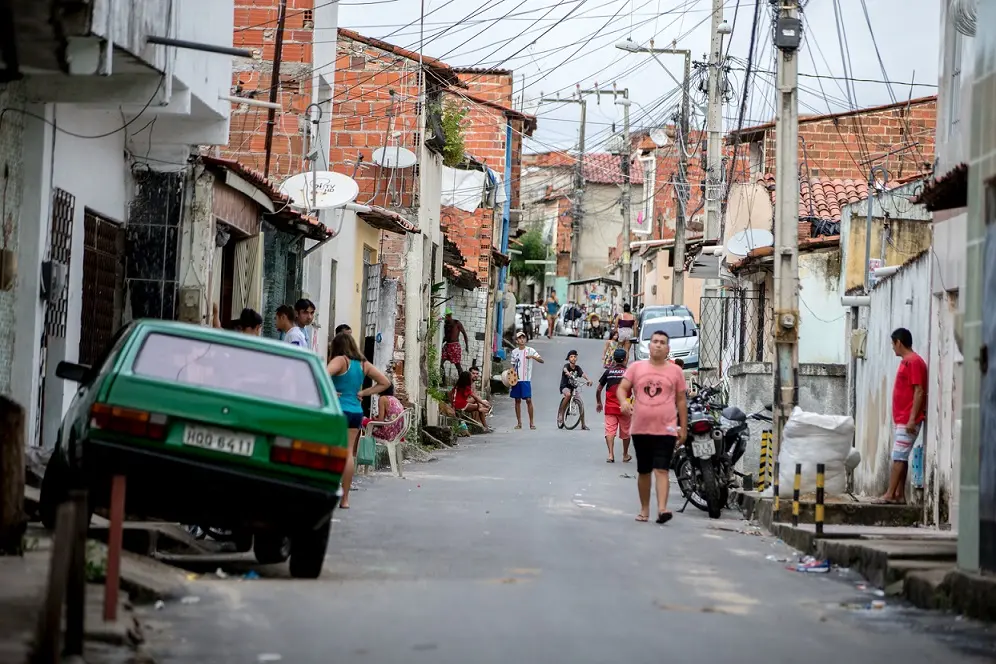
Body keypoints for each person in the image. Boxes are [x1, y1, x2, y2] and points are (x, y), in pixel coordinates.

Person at [618, 329, 687, 524]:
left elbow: (681, 400)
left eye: (662, 342)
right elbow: (622, 388)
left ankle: (663, 509)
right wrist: (624, 402)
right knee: (644, 470)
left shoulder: (676, 371)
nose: (658, 344)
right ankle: (645, 509)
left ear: (668, 349)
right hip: (640, 428)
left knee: (662, 469)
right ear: (648, 346)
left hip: (666, 428)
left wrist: (684, 427)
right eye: (655, 341)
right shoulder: (636, 367)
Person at [327, 332, 390, 509]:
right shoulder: (363, 364)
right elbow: (385, 382)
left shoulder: (340, 360)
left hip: (337, 411)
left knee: (331, 450)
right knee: (348, 454)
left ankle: (329, 492)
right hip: (355, 412)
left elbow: (321, 374)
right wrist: (363, 393)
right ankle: (345, 499)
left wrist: (330, 391)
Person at [877, 327, 928, 505]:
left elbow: (919, 390)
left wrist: (912, 419)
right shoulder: (907, 361)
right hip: (903, 417)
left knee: (898, 455)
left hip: (908, 418)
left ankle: (890, 494)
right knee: (901, 455)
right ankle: (899, 494)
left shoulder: (913, 362)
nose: (892, 348)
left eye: (893, 343)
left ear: (899, 342)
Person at [597, 347, 632, 463]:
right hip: (625, 407)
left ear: (614, 359)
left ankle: (611, 455)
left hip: (610, 407)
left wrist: (599, 402)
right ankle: (625, 454)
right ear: (625, 359)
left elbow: (599, 389)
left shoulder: (608, 372)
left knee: (610, 431)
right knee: (626, 431)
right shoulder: (629, 373)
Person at [510, 331, 544, 430]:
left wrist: (532, 357)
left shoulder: (530, 350)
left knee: (528, 400)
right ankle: (519, 422)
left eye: (523, 338)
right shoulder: (514, 352)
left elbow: (541, 360)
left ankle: (531, 422)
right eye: (520, 338)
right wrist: (511, 378)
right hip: (517, 379)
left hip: (526, 379)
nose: (522, 340)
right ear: (517, 341)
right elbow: (512, 366)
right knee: (517, 400)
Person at [558, 349, 592, 429]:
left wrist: (588, 380)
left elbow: (582, 374)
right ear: (568, 358)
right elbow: (565, 369)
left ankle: (583, 424)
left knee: (581, 404)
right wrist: (568, 373)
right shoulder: (567, 366)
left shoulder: (577, 368)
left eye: (575, 357)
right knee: (568, 394)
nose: (573, 358)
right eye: (571, 357)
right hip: (565, 387)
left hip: (573, 388)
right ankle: (561, 413)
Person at [441, 309, 469, 377]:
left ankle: (462, 382)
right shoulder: (446, 325)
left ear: (448, 316)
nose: (444, 319)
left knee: (458, 366)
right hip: (447, 346)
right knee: (440, 363)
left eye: (445, 317)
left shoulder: (457, 323)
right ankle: (442, 381)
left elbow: (464, 334)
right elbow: (447, 337)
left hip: (455, 346)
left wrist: (467, 346)